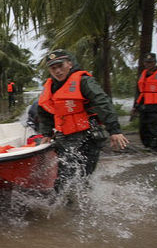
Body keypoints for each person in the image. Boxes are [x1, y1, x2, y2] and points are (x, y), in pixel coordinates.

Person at [37, 49, 128, 190]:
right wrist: (47, 134)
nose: (58, 71)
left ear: (69, 64)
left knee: (84, 175)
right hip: (65, 138)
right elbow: (44, 112)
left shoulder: (83, 81)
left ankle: (83, 203)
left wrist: (114, 130)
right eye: (53, 68)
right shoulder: (49, 87)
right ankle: (65, 206)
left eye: (60, 66)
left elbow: (103, 103)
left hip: (88, 136)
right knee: (64, 177)